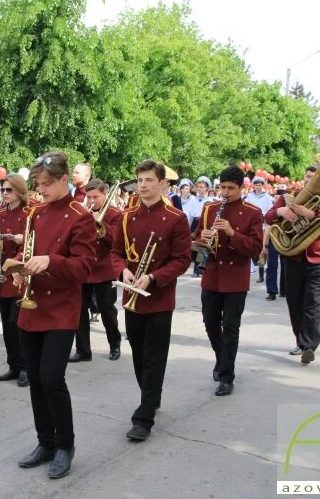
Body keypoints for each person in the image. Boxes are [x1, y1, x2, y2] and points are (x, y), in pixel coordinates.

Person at [10, 151, 95, 479]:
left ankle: (65, 445)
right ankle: (45, 442)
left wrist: (50, 261)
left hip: (61, 308)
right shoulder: (36, 214)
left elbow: (84, 267)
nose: (41, 189)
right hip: (31, 305)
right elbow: (28, 251)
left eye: (47, 184)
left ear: (64, 180)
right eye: (37, 184)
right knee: (33, 377)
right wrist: (18, 266)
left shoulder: (81, 216)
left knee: (51, 378)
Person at [111, 160, 191, 442]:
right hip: (131, 295)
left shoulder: (175, 218)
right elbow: (115, 253)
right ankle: (151, 396)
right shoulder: (125, 216)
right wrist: (122, 268)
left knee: (154, 357)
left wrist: (155, 277)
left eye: (148, 180)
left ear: (162, 184)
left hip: (159, 297)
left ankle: (143, 417)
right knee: (138, 354)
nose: (142, 185)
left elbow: (182, 260)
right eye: (140, 180)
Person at [194, 166, 263, 396]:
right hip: (212, 274)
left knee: (231, 327)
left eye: (231, 188)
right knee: (210, 323)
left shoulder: (252, 212)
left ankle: (227, 376)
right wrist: (202, 238)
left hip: (236, 278)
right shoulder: (209, 208)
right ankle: (221, 358)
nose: (225, 192)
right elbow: (196, 240)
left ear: (241, 188)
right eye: (222, 187)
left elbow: (255, 248)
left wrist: (233, 233)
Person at [264, 165, 320, 364]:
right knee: (295, 302)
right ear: (304, 177)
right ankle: (300, 341)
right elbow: (268, 216)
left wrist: (309, 214)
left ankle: (309, 345)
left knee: (314, 304)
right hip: (294, 258)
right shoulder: (290, 195)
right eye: (308, 177)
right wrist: (281, 211)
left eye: (315, 177)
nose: (310, 180)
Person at [69, 179, 122, 363]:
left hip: (105, 269)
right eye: (88, 197)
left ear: (105, 195)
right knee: (80, 310)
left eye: (96, 197)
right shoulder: (83, 213)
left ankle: (114, 344)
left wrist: (101, 226)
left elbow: (117, 240)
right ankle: (83, 350)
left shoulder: (115, 214)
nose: (91, 201)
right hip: (85, 269)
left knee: (107, 310)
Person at [0, 174, 30, 387]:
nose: (4, 193)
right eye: (3, 189)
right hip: (2, 275)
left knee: (17, 323)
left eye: (9, 190)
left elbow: (31, 245)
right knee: (6, 324)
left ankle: (25, 367)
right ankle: (13, 365)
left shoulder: (30, 213)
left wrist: (17, 260)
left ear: (20, 191)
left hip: (19, 275)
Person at [245, 176, 274, 284]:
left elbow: (271, 210)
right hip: (251, 224)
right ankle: (249, 269)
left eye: (260, 185)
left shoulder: (267, 197)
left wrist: (264, 216)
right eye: (256, 185)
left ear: (263, 185)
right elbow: (246, 208)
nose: (258, 186)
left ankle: (261, 274)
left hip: (263, 225)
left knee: (262, 249)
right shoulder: (249, 196)